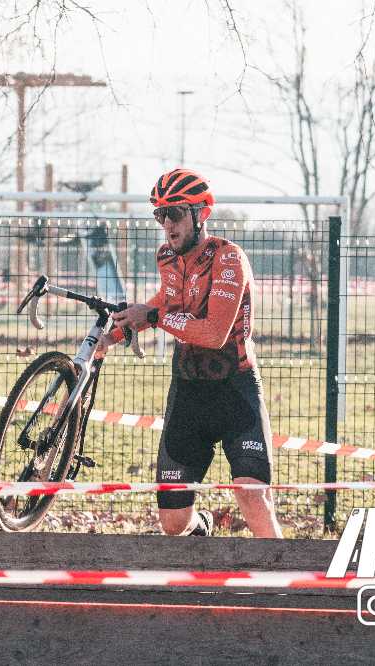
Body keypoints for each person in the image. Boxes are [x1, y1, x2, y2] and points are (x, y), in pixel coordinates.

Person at [97, 168, 282, 538]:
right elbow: (165, 302)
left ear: (202, 214)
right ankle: (202, 527)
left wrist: (152, 317)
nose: (168, 224)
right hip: (188, 394)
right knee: (173, 524)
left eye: (176, 213)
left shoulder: (228, 259)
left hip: (235, 391)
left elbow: (213, 333)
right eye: (160, 215)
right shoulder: (167, 257)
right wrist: (113, 336)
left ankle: (291, 575)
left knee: (253, 498)